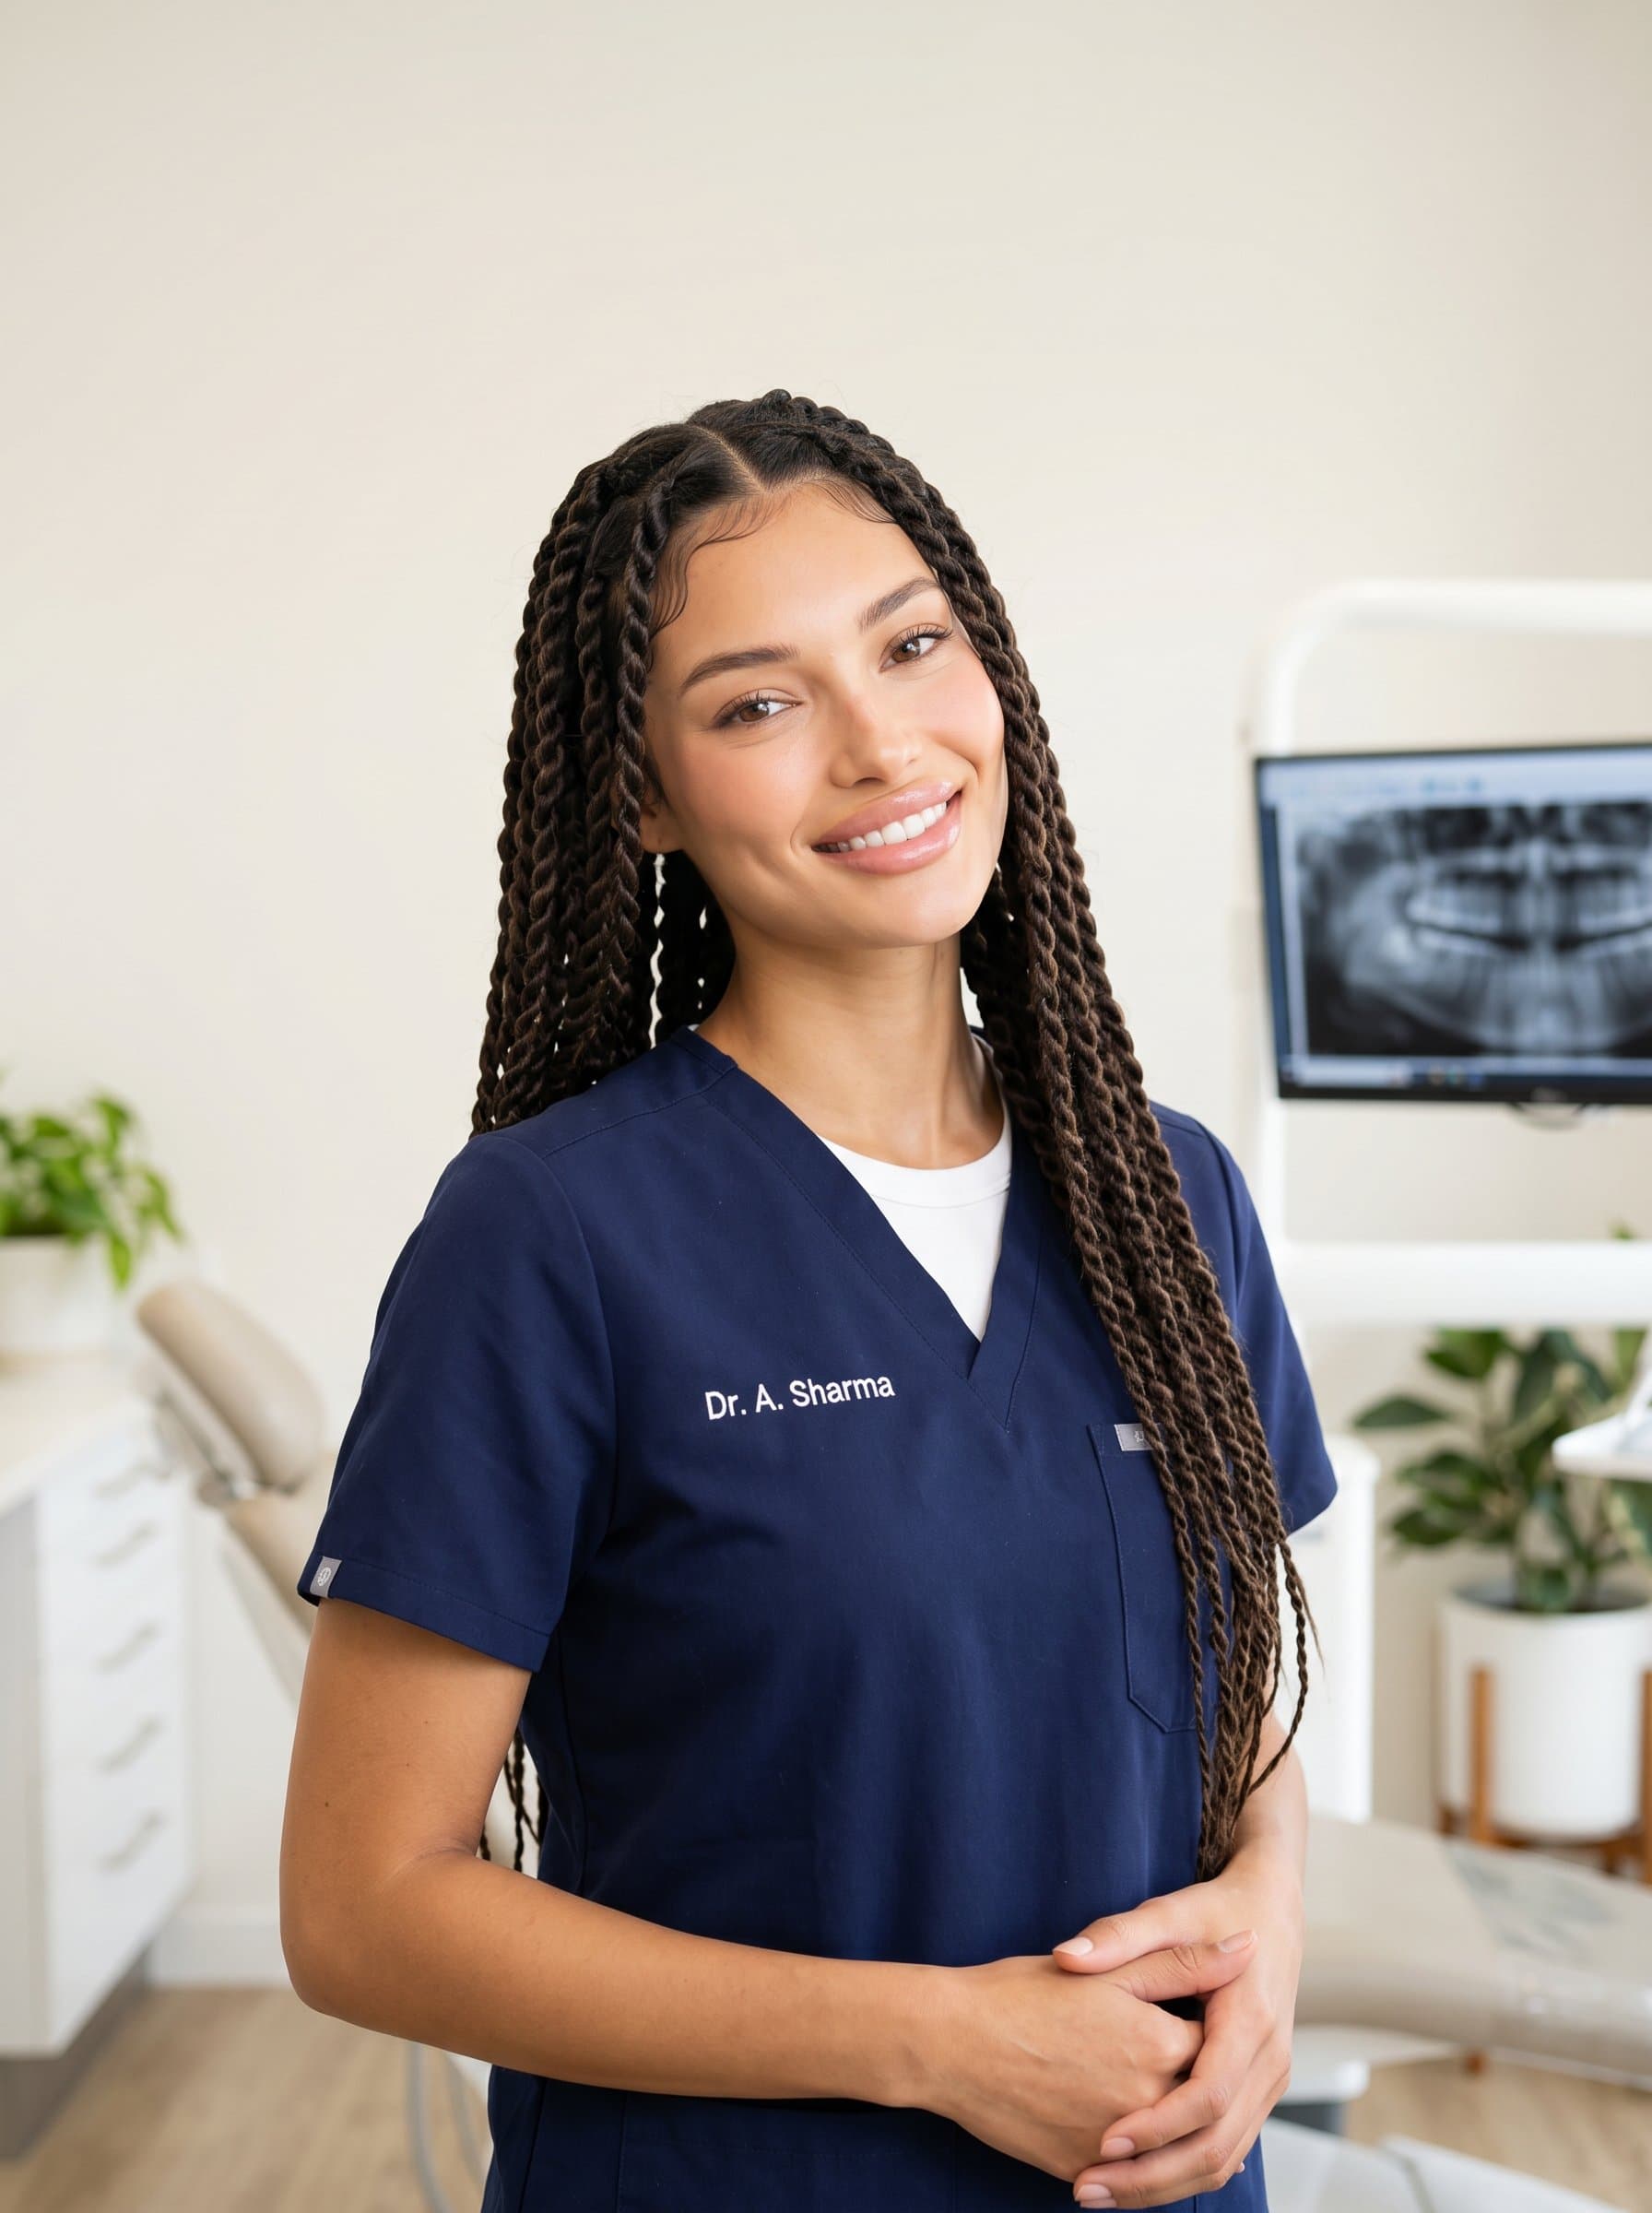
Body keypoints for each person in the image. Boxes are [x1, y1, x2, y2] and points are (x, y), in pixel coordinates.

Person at [279, 390, 1338, 2213]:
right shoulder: (546, 1237)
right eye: (758, 703)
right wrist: (938, 2042)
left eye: (911, 646)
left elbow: (1226, 1701)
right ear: (645, 799)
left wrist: (1267, 1916)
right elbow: (362, 1915)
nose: (879, 745)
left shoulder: (1166, 1196)